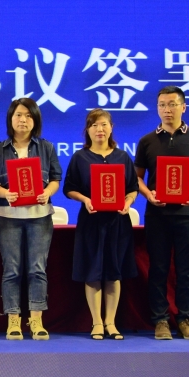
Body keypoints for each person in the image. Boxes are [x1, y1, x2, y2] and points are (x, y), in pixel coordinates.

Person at [135, 86, 189, 341]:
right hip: (157, 215)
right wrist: (148, 194)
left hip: (188, 214)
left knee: (186, 270)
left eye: (172, 104)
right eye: (162, 105)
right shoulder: (147, 140)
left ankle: (185, 320)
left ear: (183, 107)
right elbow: (136, 178)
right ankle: (160, 320)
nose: (166, 110)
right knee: (158, 269)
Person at [0, 98, 62, 340]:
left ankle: (36, 320)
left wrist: (47, 192)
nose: (23, 120)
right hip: (8, 217)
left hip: (39, 217)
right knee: (12, 270)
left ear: (35, 120)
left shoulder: (46, 148)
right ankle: (13, 319)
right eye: (18, 115)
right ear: (11, 119)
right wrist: (5, 193)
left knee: (37, 269)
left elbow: (56, 178)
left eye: (28, 115)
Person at [63, 108, 138, 341]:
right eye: (94, 125)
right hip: (91, 221)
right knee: (93, 271)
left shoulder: (123, 156)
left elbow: (132, 188)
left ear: (111, 128)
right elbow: (69, 188)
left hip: (118, 222)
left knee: (114, 273)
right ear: (87, 130)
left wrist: (128, 202)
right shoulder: (80, 157)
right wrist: (85, 199)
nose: (99, 129)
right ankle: (96, 322)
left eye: (104, 124)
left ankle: (111, 323)